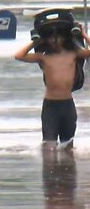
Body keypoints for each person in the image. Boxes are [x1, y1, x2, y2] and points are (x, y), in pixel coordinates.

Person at [15, 13, 90, 151]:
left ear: (64, 37)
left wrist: (83, 34)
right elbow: (18, 56)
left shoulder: (73, 54)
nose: (53, 40)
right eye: (50, 38)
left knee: (68, 147)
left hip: (67, 105)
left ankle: (67, 171)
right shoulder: (43, 57)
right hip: (51, 106)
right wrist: (35, 41)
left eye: (57, 37)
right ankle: (50, 171)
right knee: (49, 147)